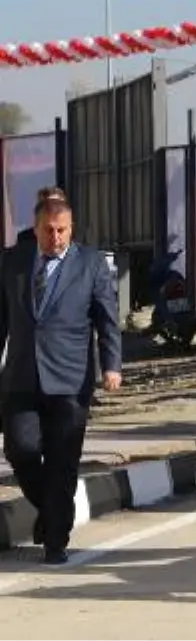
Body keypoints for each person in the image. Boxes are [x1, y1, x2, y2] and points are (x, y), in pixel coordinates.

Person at [0, 198, 121, 564]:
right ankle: (51, 511)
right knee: (19, 449)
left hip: (69, 380)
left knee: (62, 461)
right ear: (35, 229)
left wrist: (111, 365)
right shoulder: (13, 262)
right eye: (48, 231)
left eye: (62, 230)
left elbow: (107, 319)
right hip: (21, 375)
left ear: (71, 228)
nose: (55, 238)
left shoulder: (90, 263)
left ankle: (56, 540)